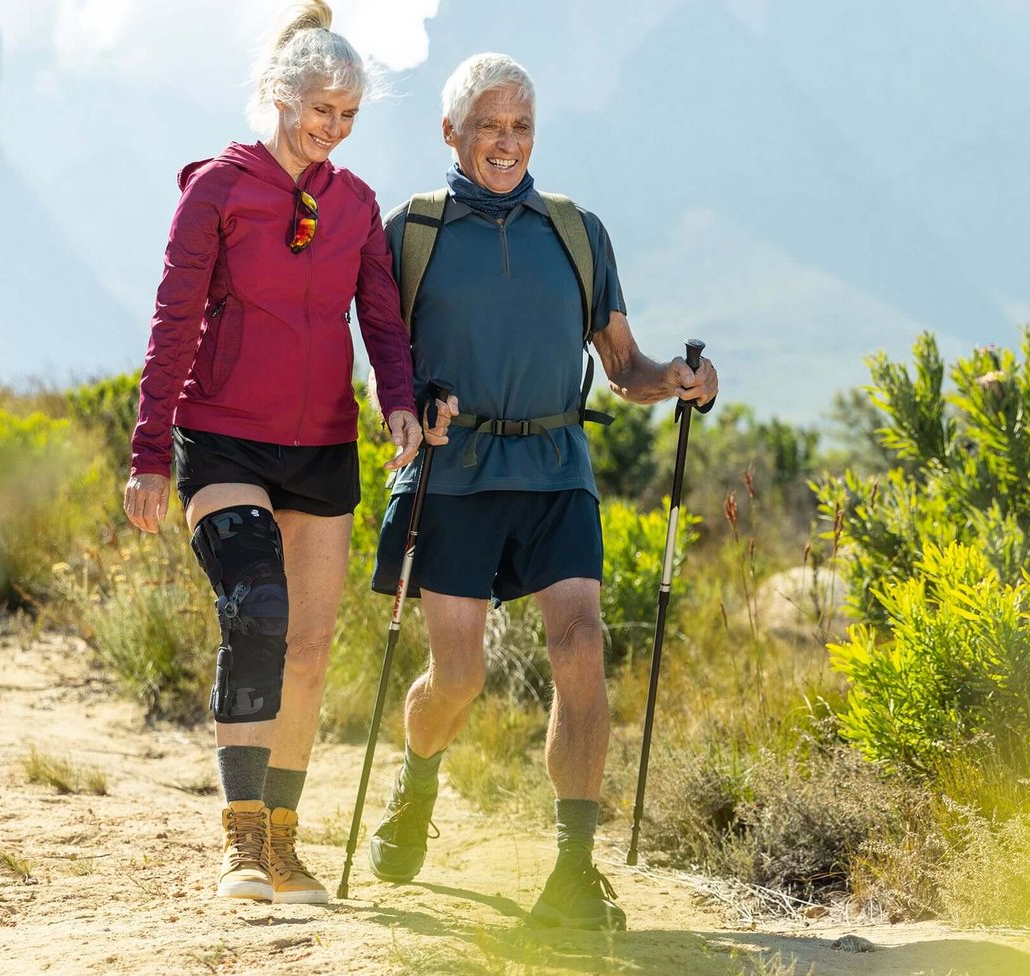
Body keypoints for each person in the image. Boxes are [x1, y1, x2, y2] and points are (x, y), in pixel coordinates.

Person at [364, 52, 719, 930]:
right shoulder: (410, 232)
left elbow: (623, 363)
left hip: (558, 468)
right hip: (455, 475)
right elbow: (382, 362)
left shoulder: (575, 230)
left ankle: (572, 871)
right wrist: (410, 410)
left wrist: (673, 377)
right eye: (489, 124)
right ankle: (416, 785)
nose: (506, 142)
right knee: (458, 676)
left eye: (521, 126)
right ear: (451, 132)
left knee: (582, 645)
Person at [122, 1, 424, 905]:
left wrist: (399, 400)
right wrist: (148, 452)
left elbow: (381, 317)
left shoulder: (357, 204)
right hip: (222, 439)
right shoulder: (217, 190)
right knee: (256, 610)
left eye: (348, 115)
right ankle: (241, 843)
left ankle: (286, 845)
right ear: (280, 96)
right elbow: (173, 321)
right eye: (319, 109)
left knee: (311, 643)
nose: (331, 129)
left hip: (324, 446)